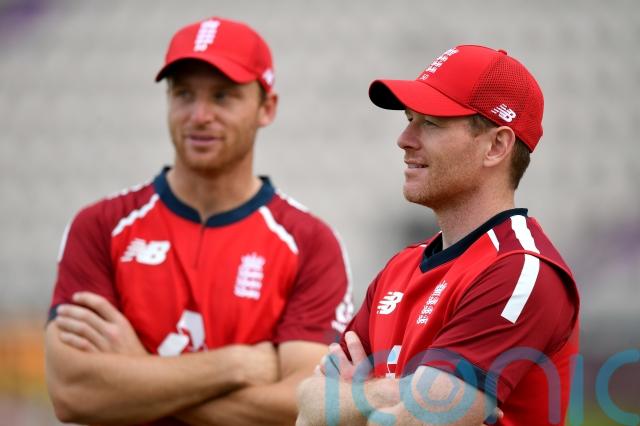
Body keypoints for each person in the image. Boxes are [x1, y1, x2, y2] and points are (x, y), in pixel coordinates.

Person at [45, 16, 353, 426]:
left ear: (267, 108)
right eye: (184, 94)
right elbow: (72, 394)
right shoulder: (100, 226)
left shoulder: (309, 242)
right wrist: (235, 365)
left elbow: (304, 406)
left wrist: (141, 375)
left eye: (223, 96)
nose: (199, 115)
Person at [297, 45, 580, 425]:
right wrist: (397, 393)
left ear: (496, 146)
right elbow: (309, 407)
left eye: (430, 123)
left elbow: (422, 420)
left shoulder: (520, 271)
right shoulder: (399, 268)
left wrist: (355, 400)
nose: (404, 138)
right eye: (409, 119)